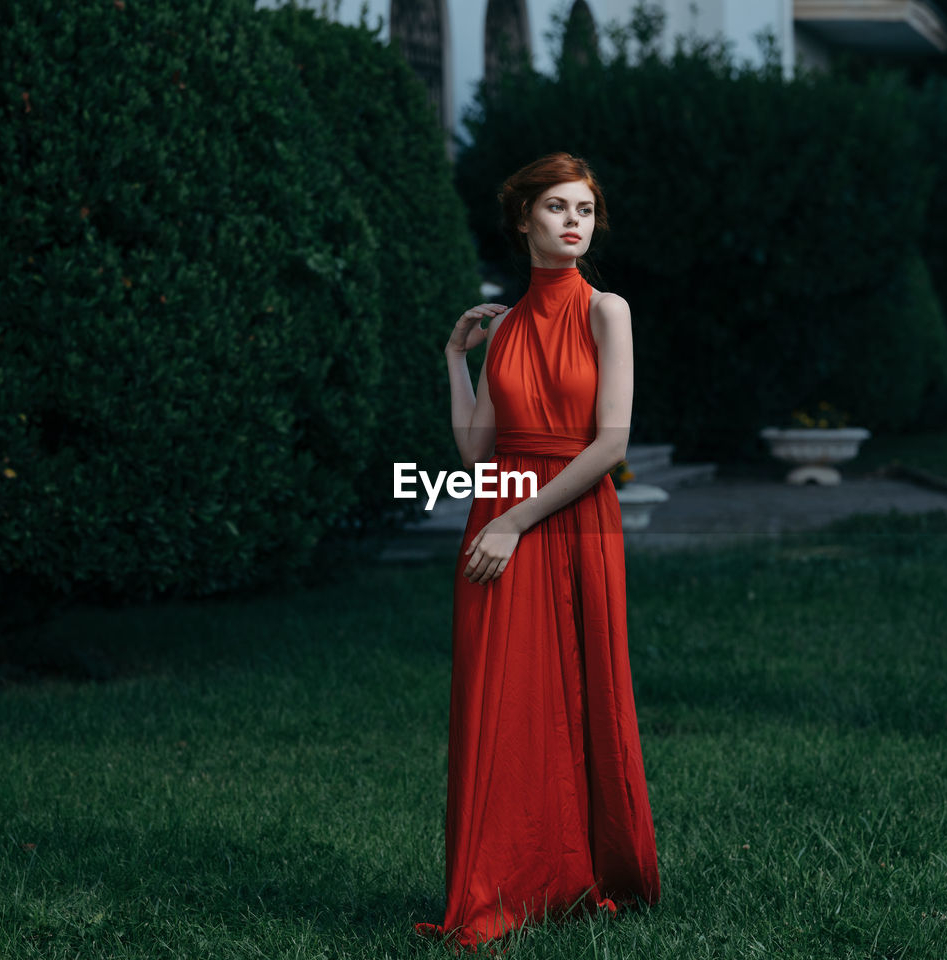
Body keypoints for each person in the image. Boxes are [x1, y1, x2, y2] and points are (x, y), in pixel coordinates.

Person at [414, 152, 661, 950]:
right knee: (502, 697)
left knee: (584, 689)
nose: (573, 222)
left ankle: (587, 871)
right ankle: (504, 882)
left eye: (584, 210)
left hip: (568, 512)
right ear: (523, 220)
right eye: (557, 207)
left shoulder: (607, 310)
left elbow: (611, 443)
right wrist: (456, 359)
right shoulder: (508, 325)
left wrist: (516, 520)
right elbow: (476, 454)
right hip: (497, 514)